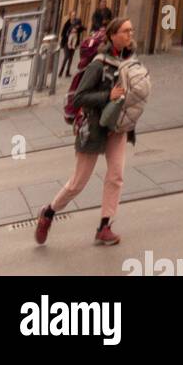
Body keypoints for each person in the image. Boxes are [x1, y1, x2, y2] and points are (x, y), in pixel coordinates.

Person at [35, 15, 141, 247]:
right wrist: (108, 95)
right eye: (125, 31)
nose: (129, 35)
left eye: (131, 31)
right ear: (113, 35)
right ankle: (49, 213)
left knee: (115, 176)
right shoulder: (98, 63)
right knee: (78, 182)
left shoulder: (131, 61)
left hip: (118, 127)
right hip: (93, 127)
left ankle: (105, 227)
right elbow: (81, 96)